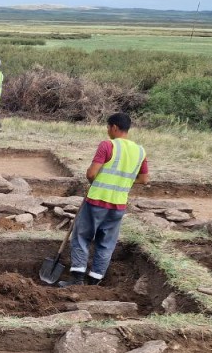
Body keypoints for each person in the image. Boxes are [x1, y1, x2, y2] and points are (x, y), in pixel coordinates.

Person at [59, 112, 149, 287]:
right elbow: (145, 179)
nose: (107, 131)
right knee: (106, 243)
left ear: (114, 127)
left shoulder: (108, 145)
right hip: (118, 206)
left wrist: (97, 182)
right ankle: (94, 282)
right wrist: (123, 181)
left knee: (81, 237)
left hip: (96, 201)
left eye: (108, 127)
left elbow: (91, 173)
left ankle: (77, 280)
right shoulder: (140, 151)